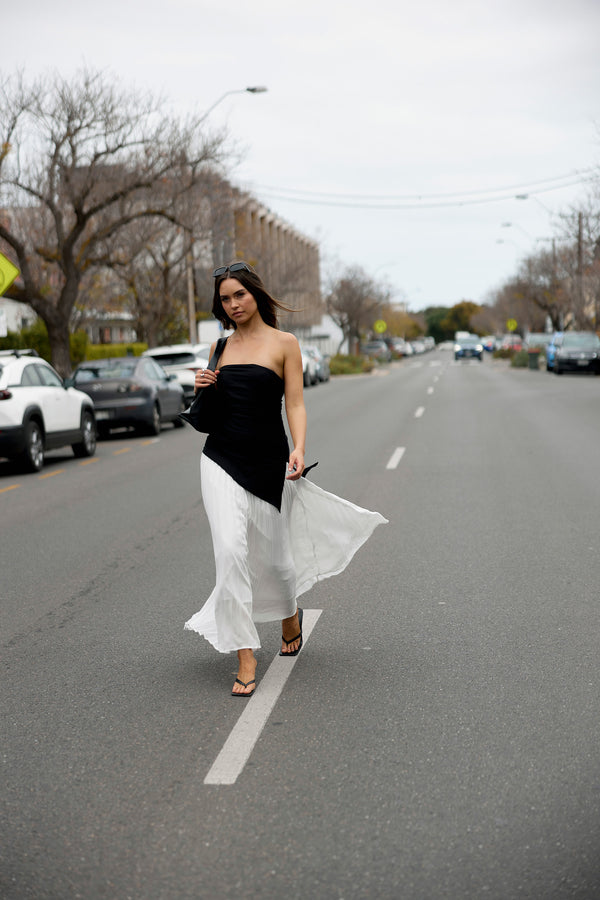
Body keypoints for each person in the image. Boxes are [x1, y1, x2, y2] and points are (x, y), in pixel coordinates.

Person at [184, 261, 387, 697]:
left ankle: (288, 612)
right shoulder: (219, 347)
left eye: (239, 294)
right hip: (219, 458)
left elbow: (294, 403)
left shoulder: (285, 344)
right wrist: (203, 386)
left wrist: (298, 447)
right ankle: (244, 653)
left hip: (267, 461)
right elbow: (210, 410)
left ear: (255, 294)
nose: (233, 304)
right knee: (230, 553)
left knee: (276, 561)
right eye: (225, 298)